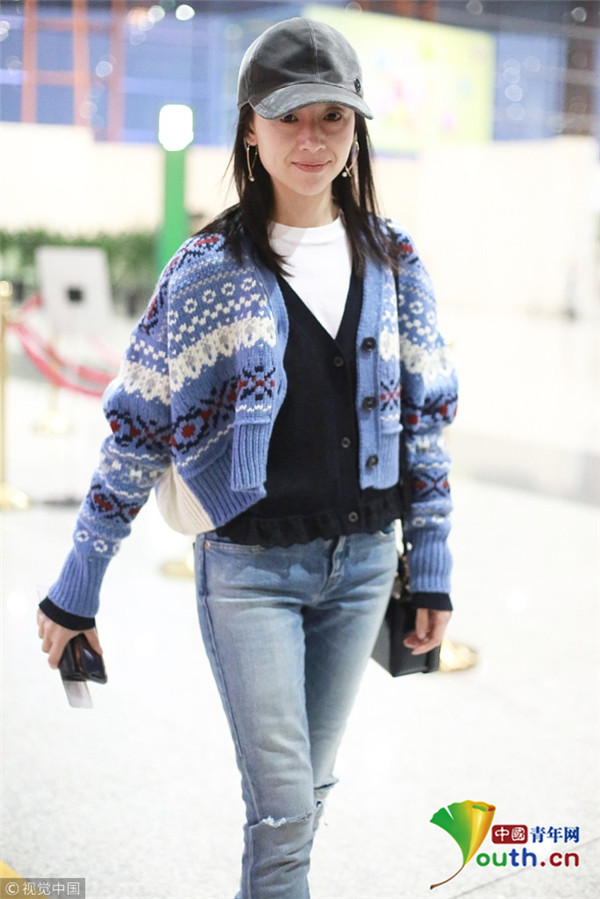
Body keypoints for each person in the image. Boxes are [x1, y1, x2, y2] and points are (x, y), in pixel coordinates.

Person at [37, 17, 458, 898]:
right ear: (250, 128)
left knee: (307, 792)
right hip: (250, 570)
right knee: (285, 810)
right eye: (288, 117)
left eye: (331, 117)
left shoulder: (393, 258)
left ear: (356, 129)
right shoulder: (207, 269)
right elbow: (137, 431)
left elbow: (425, 426)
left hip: (364, 566)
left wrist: (431, 569)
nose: (311, 139)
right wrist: (78, 585)